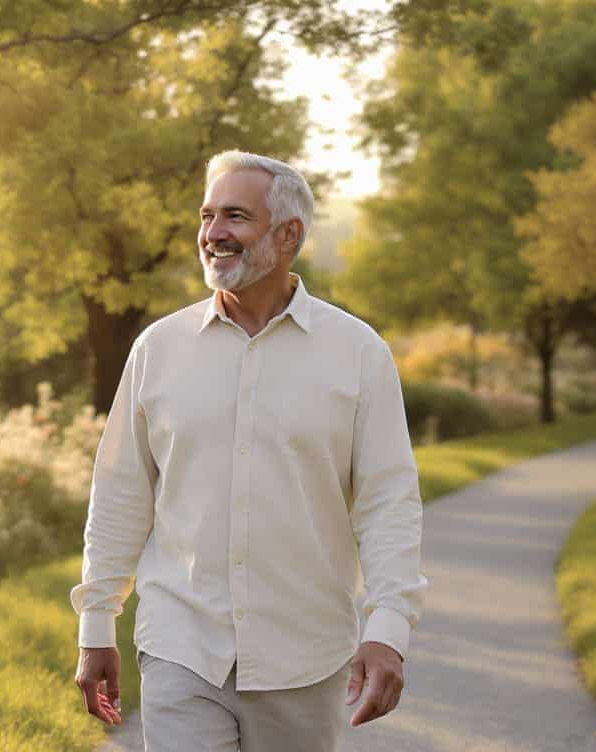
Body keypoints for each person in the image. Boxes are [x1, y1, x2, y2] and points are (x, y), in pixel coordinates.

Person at [71, 150, 429, 751]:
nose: (213, 234)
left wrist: (389, 627)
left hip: (304, 654)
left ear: (288, 234)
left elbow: (388, 500)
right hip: (181, 645)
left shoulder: (358, 353)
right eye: (207, 216)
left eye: (235, 216)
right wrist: (96, 623)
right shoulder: (158, 349)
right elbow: (120, 492)